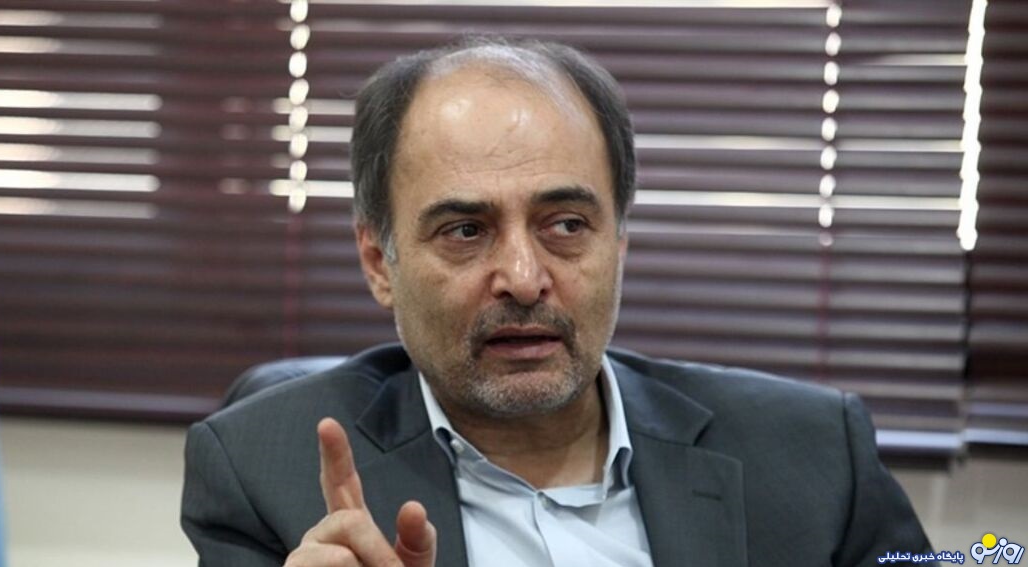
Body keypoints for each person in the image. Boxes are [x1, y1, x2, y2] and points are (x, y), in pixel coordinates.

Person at [180, 38, 934, 567]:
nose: (522, 277)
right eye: (466, 230)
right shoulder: (265, 471)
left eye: (566, 225)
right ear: (380, 261)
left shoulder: (814, 456)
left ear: (620, 244)